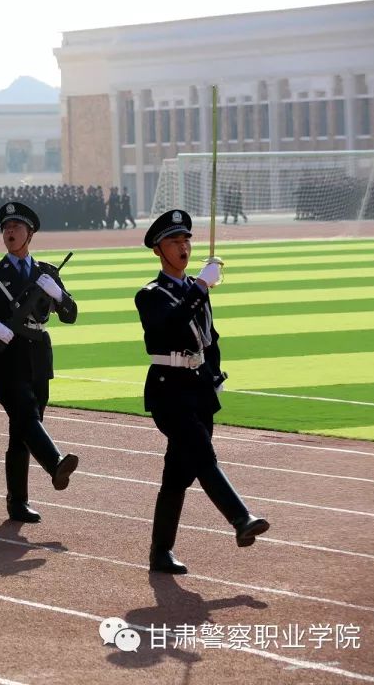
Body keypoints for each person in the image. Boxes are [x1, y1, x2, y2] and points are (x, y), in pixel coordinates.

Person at [137, 209, 269, 574]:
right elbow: (173, 326)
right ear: (158, 251)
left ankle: (160, 553)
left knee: (177, 474)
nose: (183, 247)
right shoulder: (150, 295)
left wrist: (214, 373)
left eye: (186, 241)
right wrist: (201, 287)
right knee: (202, 454)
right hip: (169, 391)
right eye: (174, 243)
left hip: (197, 388)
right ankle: (241, 518)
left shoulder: (196, 287)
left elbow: (210, 337)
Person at [0, 202, 80, 523]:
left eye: (16, 227)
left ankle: (17, 501)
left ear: (30, 233)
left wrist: (59, 296)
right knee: (26, 416)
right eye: (5, 228)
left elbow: (70, 316)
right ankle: (54, 463)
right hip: (5, 359)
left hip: (39, 358)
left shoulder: (47, 272)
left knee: (23, 430)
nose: (9, 232)